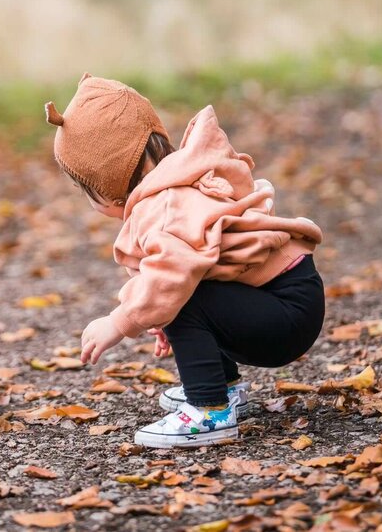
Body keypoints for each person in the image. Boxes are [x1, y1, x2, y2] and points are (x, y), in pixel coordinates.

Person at [45, 73, 325, 448]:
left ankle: (210, 410)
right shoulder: (179, 179)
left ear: (106, 189)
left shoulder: (161, 206)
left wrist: (120, 321)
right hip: (292, 298)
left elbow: (170, 275)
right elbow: (204, 260)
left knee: (177, 294)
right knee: (177, 296)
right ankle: (222, 388)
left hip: (284, 314)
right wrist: (163, 318)